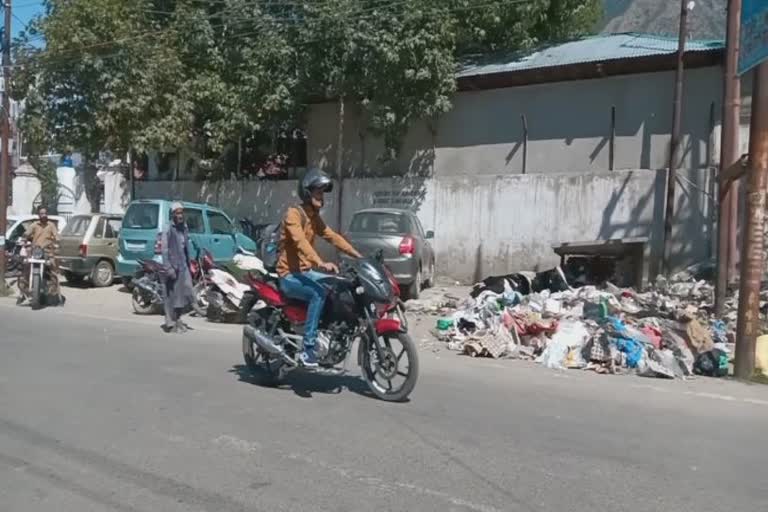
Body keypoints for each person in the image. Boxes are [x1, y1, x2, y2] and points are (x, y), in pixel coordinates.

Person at [276, 169, 362, 368]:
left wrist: (357, 255)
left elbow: (332, 236)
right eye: (317, 192)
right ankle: (308, 348)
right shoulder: (294, 214)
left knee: (336, 287)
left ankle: (326, 330)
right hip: (289, 275)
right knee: (318, 294)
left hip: (305, 272)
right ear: (306, 192)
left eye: (322, 192)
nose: (321, 196)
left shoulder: (313, 217)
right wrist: (320, 262)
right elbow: (299, 242)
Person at [17, 206, 63, 306]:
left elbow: (57, 236)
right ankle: (21, 295)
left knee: (53, 271)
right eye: (41, 213)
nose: (44, 215)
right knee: (26, 270)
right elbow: (26, 234)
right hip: (35, 251)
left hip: (47, 251)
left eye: (45, 213)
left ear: (47, 214)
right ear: (39, 215)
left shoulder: (51, 225)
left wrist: (57, 241)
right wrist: (24, 239)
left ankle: (58, 296)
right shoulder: (34, 225)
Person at [161, 202, 195, 333]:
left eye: (182, 213)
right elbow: (164, 250)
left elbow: (186, 246)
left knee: (185, 294)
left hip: (183, 266)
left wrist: (189, 263)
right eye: (177, 213)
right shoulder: (167, 228)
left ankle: (178, 319)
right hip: (173, 266)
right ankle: (170, 323)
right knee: (171, 296)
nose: (180, 215)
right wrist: (168, 268)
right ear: (173, 214)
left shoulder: (184, 227)